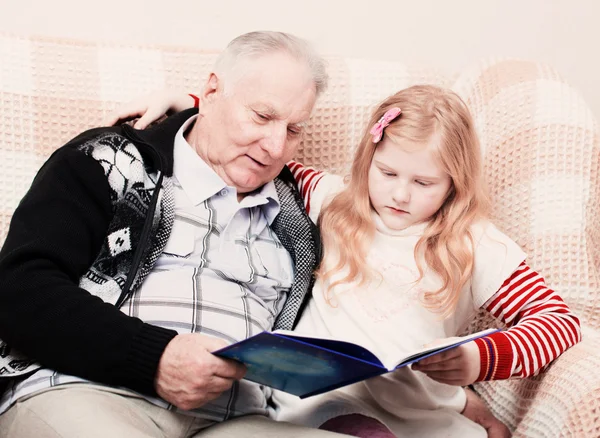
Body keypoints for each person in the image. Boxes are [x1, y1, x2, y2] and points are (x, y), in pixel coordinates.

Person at [116, 84, 581, 437]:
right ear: (368, 159)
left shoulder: (474, 241)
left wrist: (481, 359)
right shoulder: (331, 200)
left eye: (424, 184)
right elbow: (258, 151)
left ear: (455, 184)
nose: (399, 194)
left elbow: (559, 322)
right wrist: (191, 103)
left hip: (417, 406)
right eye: (388, 172)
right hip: (319, 403)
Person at [0, 31, 345, 438]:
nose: (274, 146)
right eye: (262, 116)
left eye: (293, 130)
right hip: (91, 391)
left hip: (238, 422)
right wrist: (154, 357)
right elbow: (18, 288)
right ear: (212, 91)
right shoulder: (109, 162)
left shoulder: (300, 220)